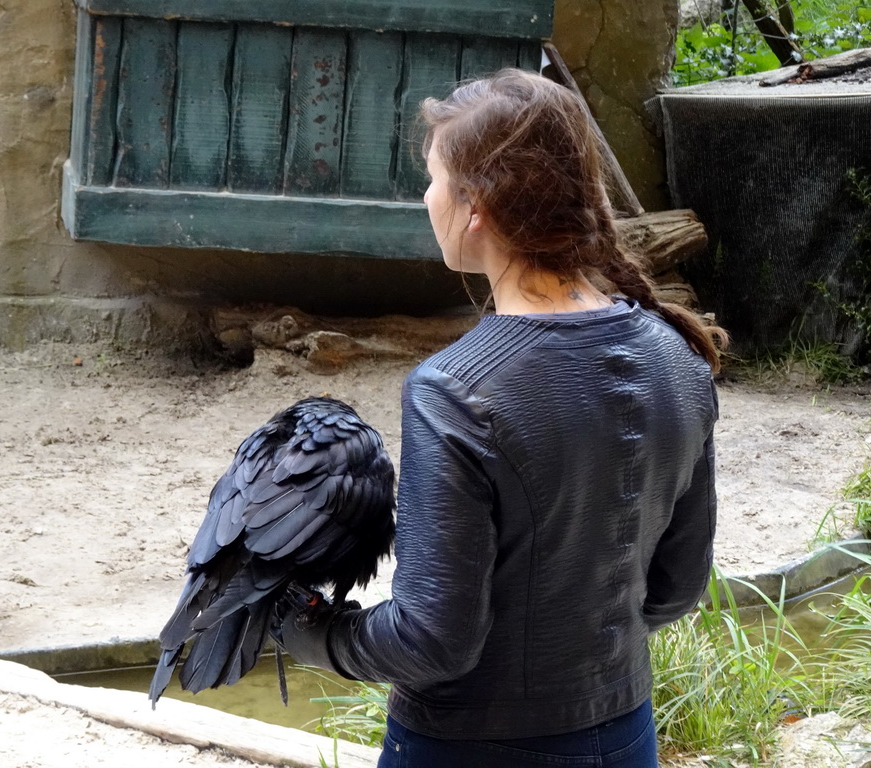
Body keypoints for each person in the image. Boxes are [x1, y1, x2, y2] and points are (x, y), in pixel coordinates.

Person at [278, 68, 727, 767]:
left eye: (431, 179)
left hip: (471, 748)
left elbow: (430, 642)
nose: (426, 198)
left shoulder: (454, 391)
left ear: (475, 205)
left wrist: (295, 624)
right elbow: (676, 591)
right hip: (626, 733)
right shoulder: (676, 356)